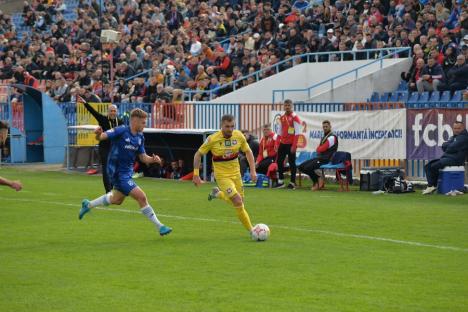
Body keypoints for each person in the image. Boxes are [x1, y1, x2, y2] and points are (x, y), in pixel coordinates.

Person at [79, 108, 172, 236]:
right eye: (143, 123)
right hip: (117, 172)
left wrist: (152, 159)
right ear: (135, 121)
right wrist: (98, 133)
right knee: (141, 197)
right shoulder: (121, 130)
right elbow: (102, 137)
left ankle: (88, 205)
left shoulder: (140, 137)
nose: (145, 125)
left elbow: (143, 157)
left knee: (117, 200)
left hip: (127, 172)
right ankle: (160, 226)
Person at [192, 114, 256, 236]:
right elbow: (198, 155)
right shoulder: (212, 139)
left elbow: (248, 152)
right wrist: (196, 174)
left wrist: (253, 171)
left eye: (232, 126)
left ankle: (218, 194)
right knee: (237, 201)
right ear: (221, 126)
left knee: (240, 202)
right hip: (222, 176)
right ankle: (252, 231)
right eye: (227, 126)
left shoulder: (239, 136)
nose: (230, 129)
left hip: (236, 174)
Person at [79, 96, 123, 193]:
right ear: (108, 112)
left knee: (114, 169)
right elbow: (93, 112)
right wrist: (85, 103)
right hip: (104, 148)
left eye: (114, 111)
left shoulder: (120, 122)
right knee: (106, 169)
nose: (112, 112)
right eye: (111, 111)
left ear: (117, 112)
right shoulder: (103, 119)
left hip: (115, 149)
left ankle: (112, 187)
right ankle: (108, 191)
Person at [422, 121, 468, 194]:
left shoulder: (464, 137)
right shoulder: (454, 137)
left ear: (463, 128)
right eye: (455, 128)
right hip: (448, 158)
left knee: (434, 166)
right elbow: (444, 146)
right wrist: (450, 146)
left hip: (456, 160)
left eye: (458, 128)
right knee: (428, 166)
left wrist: (449, 146)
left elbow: (451, 148)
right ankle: (431, 186)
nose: (456, 130)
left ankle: (432, 185)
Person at [298, 120, 339, 191]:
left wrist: (319, 149)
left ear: (330, 127)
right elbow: (319, 149)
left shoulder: (332, 137)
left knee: (308, 168)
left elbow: (321, 149)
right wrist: (319, 149)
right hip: (320, 158)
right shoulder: (325, 136)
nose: (325, 128)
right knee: (301, 167)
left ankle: (315, 183)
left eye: (326, 126)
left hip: (326, 159)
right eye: (324, 127)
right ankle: (318, 177)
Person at [275, 99, 301, 189]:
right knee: (279, 161)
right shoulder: (282, 117)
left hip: (291, 144)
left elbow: (297, 133)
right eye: (285, 105)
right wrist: (277, 143)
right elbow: (279, 132)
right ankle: (281, 181)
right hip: (283, 143)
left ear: (292, 106)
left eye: (288, 105)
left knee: (291, 163)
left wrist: (294, 146)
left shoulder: (295, 117)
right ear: (283, 106)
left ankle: (292, 183)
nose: (287, 107)